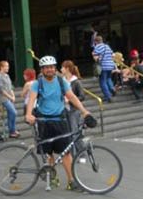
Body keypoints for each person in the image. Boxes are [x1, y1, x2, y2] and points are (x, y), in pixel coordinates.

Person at [25, 56, 92, 191]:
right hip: (44, 121)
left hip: (60, 121)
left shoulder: (62, 82)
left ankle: (71, 181)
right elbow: (31, 99)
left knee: (66, 153)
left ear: (55, 68)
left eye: (51, 67)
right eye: (46, 67)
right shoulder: (38, 83)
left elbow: (72, 97)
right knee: (49, 153)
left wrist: (85, 112)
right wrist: (28, 114)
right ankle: (52, 176)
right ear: (42, 70)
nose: (49, 69)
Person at [61, 60, 86, 156]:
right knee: (66, 133)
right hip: (63, 110)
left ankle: (81, 153)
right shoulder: (62, 81)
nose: (61, 69)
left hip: (73, 110)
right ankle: (70, 154)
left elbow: (82, 96)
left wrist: (70, 100)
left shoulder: (76, 82)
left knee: (74, 132)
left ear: (67, 69)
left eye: (62, 67)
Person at [0, 61, 19, 138]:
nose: (8, 68)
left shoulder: (7, 76)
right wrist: (10, 97)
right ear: (2, 67)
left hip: (9, 96)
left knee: (11, 113)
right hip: (4, 97)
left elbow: (10, 87)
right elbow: (0, 89)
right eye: (6, 66)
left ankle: (12, 131)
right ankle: (12, 130)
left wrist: (13, 96)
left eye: (8, 66)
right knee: (13, 112)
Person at [92, 35, 115, 103]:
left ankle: (108, 97)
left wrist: (93, 54)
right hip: (110, 65)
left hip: (103, 66)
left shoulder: (97, 47)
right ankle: (112, 88)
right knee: (108, 78)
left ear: (96, 42)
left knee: (102, 82)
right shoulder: (107, 46)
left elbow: (95, 57)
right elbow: (113, 55)